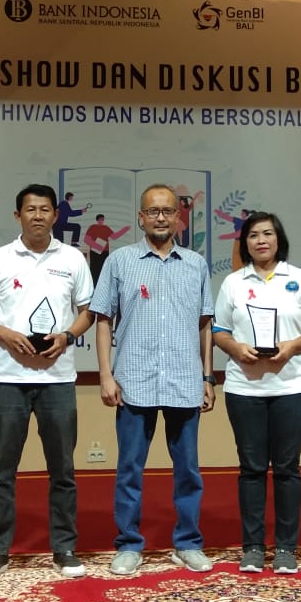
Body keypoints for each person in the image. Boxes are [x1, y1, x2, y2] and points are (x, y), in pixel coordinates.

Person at [90, 183, 216, 576]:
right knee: (129, 468)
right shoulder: (120, 261)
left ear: (178, 217)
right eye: (153, 211)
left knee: (188, 470)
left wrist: (208, 377)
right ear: (141, 217)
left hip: (184, 380)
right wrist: (106, 375)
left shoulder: (195, 264)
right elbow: (103, 319)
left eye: (168, 211)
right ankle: (129, 544)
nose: (161, 217)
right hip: (133, 381)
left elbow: (205, 324)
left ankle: (188, 543)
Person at [0, 184, 95, 581]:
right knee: (1, 469)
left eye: (44, 209)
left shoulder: (73, 258)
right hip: (8, 378)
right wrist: (7, 335)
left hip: (58, 379)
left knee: (63, 469)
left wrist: (67, 336)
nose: (38, 216)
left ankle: (65, 548)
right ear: (17, 215)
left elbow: (88, 310)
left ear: (55, 215)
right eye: (30, 209)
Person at [213, 212, 301, 574]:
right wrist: (235, 348)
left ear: (279, 240)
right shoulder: (233, 283)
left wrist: (291, 347)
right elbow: (219, 331)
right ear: (244, 243)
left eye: (267, 234)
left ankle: (287, 548)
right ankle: (253, 547)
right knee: (252, 469)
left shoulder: (300, 279)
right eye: (253, 235)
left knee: (287, 468)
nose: (261, 241)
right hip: (244, 387)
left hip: (293, 386)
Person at [84, 213, 130, 284]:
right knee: (94, 269)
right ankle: (94, 286)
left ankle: (103, 285)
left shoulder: (106, 228)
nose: (101, 220)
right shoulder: (92, 227)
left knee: (104, 269)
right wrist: (96, 246)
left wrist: (124, 230)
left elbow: (114, 236)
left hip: (105, 251)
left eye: (102, 219)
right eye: (100, 219)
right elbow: (86, 239)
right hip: (95, 251)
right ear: (97, 220)